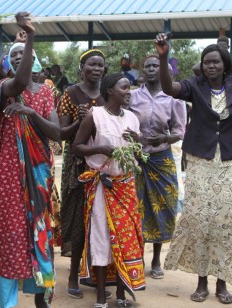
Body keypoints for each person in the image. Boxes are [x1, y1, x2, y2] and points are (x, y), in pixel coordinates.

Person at [155, 33, 232, 305]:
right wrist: (164, 57)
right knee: (201, 220)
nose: (211, 66)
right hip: (201, 159)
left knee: (226, 222)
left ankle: (222, 284)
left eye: (215, 62)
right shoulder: (194, 85)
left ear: (225, 64)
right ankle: (201, 282)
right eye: (206, 62)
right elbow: (169, 89)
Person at [0, 12, 60, 308]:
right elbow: (17, 82)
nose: (18, 60)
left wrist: (31, 113)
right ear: (7, 65)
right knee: (12, 232)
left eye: (24, 56)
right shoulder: (3, 89)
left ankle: (41, 297)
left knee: (40, 230)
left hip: (40, 173)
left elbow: (55, 132)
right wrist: (28, 38)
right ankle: (8, 302)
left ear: (34, 62)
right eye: (13, 57)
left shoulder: (45, 93)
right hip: (8, 174)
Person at [73, 73, 145, 308]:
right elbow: (77, 146)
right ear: (110, 90)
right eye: (124, 87)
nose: (128, 91)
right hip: (103, 185)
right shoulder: (96, 116)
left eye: (129, 87)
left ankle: (123, 294)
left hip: (126, 185)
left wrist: (137, 143)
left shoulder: (133, 118)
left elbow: (137, 155)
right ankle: (102, 295)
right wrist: (101, 148)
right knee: (102, 236)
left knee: (126, 238)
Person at [129, 55, 186, 280]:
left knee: (163, 207)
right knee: (137, 207)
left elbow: (180, 131)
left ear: (166, 71)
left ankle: (155, 259)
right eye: (148, 66)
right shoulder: (132, 96)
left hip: (161, 159)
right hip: (135, 158)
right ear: (143, 70)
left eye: (156, 66)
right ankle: (138, 257)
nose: (152, 69)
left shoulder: (174, 99)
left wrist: (164, 138)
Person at [57, 49, 106, 299]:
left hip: (104, 163)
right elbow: (61, 133)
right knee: (78, 219)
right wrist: (80, 120)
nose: (96, 69)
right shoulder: (71, 94)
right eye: (91, 64)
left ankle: (96, 275)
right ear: (82, 68)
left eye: (100, 65)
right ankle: (74, 274)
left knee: (101, 220)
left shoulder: (108, 94)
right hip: (78, 163)